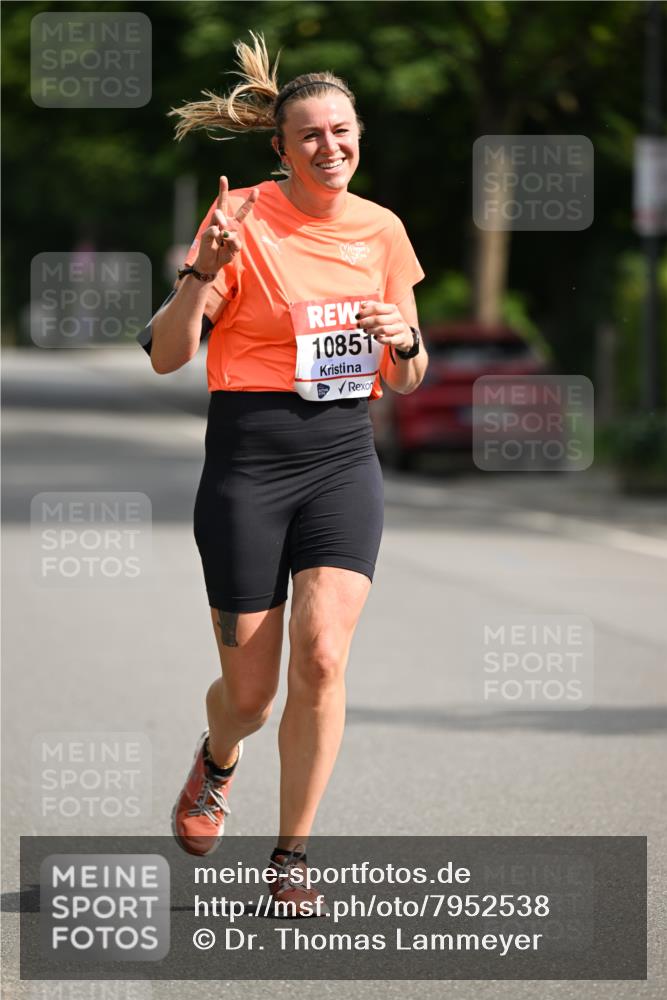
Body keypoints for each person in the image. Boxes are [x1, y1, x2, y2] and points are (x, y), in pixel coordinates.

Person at [138, 33, 427, 915]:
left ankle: (291, 855)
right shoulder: (241, 219)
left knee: (324, 656)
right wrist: (204, 271)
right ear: (281, 146)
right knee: (251, 696)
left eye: (341, 132)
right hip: (248, 461)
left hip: (342, 456)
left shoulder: (381, 230)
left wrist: (403, 342)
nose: (328, 147)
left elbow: (408, 375)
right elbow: (167, 355)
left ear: (358, 137)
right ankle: (217, 759)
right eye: (310, 135)